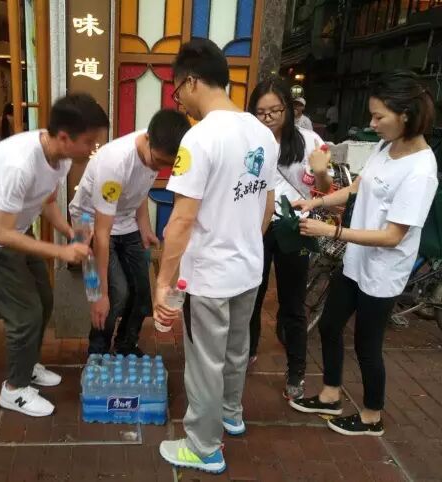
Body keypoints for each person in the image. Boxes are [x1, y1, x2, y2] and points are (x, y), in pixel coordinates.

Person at [153, 39, 278, 473]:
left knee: (205, 361)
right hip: (248, 269)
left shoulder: (200, 138)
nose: (179, 101)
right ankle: (230, 413)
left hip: (208, 276)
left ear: (191, 82)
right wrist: (246, 244)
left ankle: (203, 447)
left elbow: (181, 220)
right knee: (236, 349)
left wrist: (163, 283)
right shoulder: (262, 133)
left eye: (177, 90)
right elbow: (266, 205)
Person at [290, 71, 438, 436]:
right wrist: (316, 202)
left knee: (367, 345)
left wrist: (332, 231)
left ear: (405, 114)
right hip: (356, 260)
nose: (372, 124)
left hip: (384, 271)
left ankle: (372, 416)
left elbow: (393, 236)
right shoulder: (385, 147)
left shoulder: (421, 170)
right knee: (329, 325)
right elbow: (358, 186)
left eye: (378, 116)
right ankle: (330, 394)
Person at [0, 93, 109, 417]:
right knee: (25, 316)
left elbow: (46, 201)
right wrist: (61, 251)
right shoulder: (19, 164)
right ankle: (14, 390)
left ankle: (27, 365)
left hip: (16, 230)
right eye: (89, 142)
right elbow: (0, 234)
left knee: (44, 300)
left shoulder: (61, 158)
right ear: (65, 137)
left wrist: (69, 232)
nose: (92, 149)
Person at [69, 109, 190, 356]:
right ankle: (98, 350)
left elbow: (139, 190)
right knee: (115, 294)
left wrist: (144, 227)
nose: (159, 168)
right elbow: (101, 235)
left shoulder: (160, 149)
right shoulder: (115, 163)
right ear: (147, 138)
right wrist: (99, 294)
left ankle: (126, 345)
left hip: (124, 219)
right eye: (158, 162)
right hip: (89, 221)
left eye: (166, 165)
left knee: (142, 293)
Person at [247, 77, 332, 400]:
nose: (268, 118)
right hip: (257, 226)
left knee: (292, 303)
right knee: (251, 296)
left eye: (275, 110)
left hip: (295, 228)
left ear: (289, 108)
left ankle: (296, 369)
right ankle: (247, 351)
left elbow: (324, 190)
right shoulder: (249, 141)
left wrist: (321, 171)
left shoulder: (310, 141)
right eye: (261, 112)